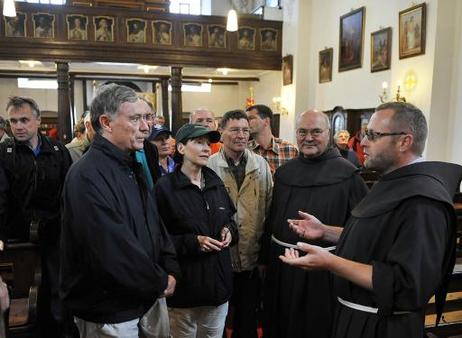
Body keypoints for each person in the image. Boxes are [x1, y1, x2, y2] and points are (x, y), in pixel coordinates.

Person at [280, 102, 462, 338]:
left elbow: (406, 285)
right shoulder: (395, 182)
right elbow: (379, 239)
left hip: (382, 326)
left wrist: (330, 262)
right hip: (358, 319)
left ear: (404, 141)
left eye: (373, 135)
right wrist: (326, 231)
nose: (363, 143)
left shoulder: (422, 202)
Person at [60, 84, 180, 338]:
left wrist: (170, 266)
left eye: (145, 118)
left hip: (144, 296)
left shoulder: (130, 163)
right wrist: (160, 280)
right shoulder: (86, 175)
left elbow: (153, 223)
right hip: (108, 308)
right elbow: (110, 249)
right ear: (106, 122)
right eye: (135, 119)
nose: (146, 127)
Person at [263, 110, 368, 338]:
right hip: (282, 266)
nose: (308, 138)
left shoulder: (348, 175)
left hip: (324, 271)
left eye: (316, 131)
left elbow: (363, 229)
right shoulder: (284, 173)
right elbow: (272, 219)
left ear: (328, 134)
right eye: (302, 131)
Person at [155, 123, 238, 338]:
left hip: (217, 290)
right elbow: (156, 239)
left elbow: (230, 220)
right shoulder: (164, 188)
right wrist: (193, 242)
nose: (206, 148)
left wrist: (229, 230)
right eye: (198, 143)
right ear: (181, 149)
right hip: (184, 292)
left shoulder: (215, 181)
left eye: (208, 144)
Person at [0, 96, 72, 337]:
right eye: (13, 121)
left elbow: (68, 192)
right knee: (26, 291)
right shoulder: (4, 152)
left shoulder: (57, 150)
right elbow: (1, 197)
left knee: (57, 289)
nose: (18, 126)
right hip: (18, 235)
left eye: (24, 120)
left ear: (38, 121)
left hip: (54, 231)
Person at [208, 110, 272, 338]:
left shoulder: (260, 164)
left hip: (251, 257)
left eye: (245, 130)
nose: (241, 135)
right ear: (222, 132)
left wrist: (263, 255)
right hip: (219, 258)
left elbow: (268, 207)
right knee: (219, 318)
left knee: (247, 318)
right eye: (234, 129)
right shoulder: (208, 166)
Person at [246, 104, 298, 175]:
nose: (246, 123)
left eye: (251, 118)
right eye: (246, 119)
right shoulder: (244, 150)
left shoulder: (290, 149)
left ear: (266, 121)